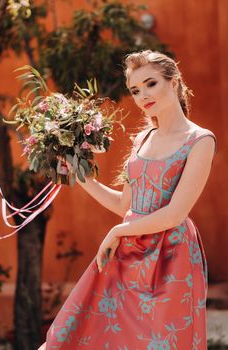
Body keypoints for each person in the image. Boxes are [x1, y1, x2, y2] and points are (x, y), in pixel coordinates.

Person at [38, 50, 217, 350]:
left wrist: (117, 231)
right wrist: (80, 173)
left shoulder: (200, 140)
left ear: (173, 82)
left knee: (161, 342)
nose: (142, 95)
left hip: (172, 257)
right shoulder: (142, 138)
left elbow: (175, 213)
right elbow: (126, 206)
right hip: (128, 253)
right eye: (135, 90)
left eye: (151, 84)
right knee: (87, 334)